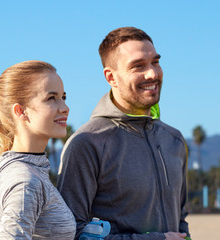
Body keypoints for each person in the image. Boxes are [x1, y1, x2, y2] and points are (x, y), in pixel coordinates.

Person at [57, 27, 191, 240]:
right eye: (138, 66)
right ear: (111, 77)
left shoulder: (174, 140)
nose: (153, 73)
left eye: (155, 62)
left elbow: (180, 218)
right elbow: (71, 232)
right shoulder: (87, 143)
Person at [0, 60, 76, 239]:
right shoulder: (25, 181)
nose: (65, 108)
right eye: (51, 98)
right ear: (21, 111)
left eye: (63, 97)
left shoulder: (26, 171)